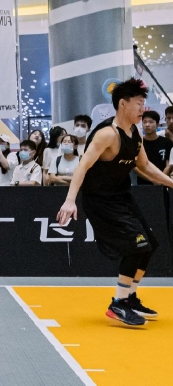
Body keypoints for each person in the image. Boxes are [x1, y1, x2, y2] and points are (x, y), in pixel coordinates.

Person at [57, 78, 173, 327]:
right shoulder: (107, 134)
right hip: (100, 200)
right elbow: (82, 166)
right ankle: (118, 304)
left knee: (150, 245)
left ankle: (129, 298)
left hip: (121, 196)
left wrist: (171, 183)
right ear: (123, 104)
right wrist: (69, 201)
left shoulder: (135, 132)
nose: (143, 108)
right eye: (139, 103)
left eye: (143, 102)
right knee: (137, 246)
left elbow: (145, 166)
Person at [138, 110, 172, 183]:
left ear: (157, 124)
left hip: (163, 182)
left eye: (151, 122)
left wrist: (161, 179)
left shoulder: (166, 142)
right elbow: (136, 166)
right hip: (142, 184)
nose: (147, 125)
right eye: (144, 122)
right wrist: (152, 179)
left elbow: (168, 164)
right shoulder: (138, 143)